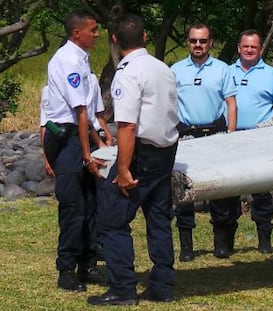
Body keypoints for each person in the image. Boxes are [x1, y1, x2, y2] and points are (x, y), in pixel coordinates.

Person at [87, 13, 179, 305]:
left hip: (141, 154)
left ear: (114, 40)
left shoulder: (127, 73)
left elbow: (127, 125)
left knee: (113, 220)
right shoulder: (163, 68)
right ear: (145, 38)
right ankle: (163, 285)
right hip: (166, 150)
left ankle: (122, 288)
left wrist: (123, 169)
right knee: (159, 219)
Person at [44, 9, 106, 292]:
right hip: (68, 138)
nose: (97, 34)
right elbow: (79, 112)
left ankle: (88, 263)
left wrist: (100, 143)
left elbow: (91, 115)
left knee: (91, 203)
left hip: (82, 134)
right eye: (92, 30)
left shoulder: (83, 61)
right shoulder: (68, 60)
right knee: (73, 205)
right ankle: (66, 267)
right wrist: (85, 154)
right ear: (76, 33)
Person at [170, 23, 240, 261]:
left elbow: (231, 103)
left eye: (202, 41)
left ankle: (220, 242)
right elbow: (168, 104)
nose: (197, 45)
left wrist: (231, 133)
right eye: (193, 41)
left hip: (215, 135)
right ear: (188, 42)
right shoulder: (176, 70)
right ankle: (187, 246)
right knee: (184, 191)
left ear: (210, 42)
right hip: (186, 135)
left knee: (218, 190)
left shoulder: (222, 69)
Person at [229, 29, 273, 253]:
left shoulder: (271, 74)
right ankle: (226, 241)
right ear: (239, 47)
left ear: (260, 49)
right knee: (229, 190)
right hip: (232, 137)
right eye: (245, 46)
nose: (248, 50)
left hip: (260, 138)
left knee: (262, 193)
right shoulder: (227, 72)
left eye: (253, 47)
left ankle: (264, 239)